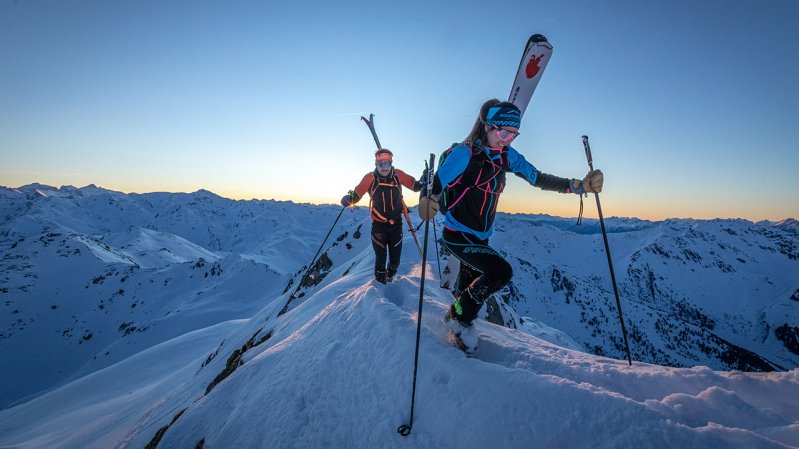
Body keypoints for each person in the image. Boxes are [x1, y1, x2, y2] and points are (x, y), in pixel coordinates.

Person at [418, 99, 604, 352]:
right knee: (500, 272)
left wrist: (578, 186)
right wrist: (427, 200)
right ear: (488, 127)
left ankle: (454, 327)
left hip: (481, 237)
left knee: (467, 289)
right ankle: (459, 322)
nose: (507, 140)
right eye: (504, 133)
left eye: (514, 135)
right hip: (457, 234)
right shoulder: (465, 153)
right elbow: (436, 183)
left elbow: (537, 177)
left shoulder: (506, 156)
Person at [341, 149, 423, 284]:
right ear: (376, 163)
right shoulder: (370, 178)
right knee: (380, 259)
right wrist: (349, 199)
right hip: (379, 226)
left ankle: (390, 279)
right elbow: (356, 195)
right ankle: (379, 285)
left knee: (395, 260)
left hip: (396, 224)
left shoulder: (398, 175)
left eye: (387, 163)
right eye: (381, 164)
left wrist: (425, 180)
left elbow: (416, 186)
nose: (384, 167)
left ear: (391, 163)